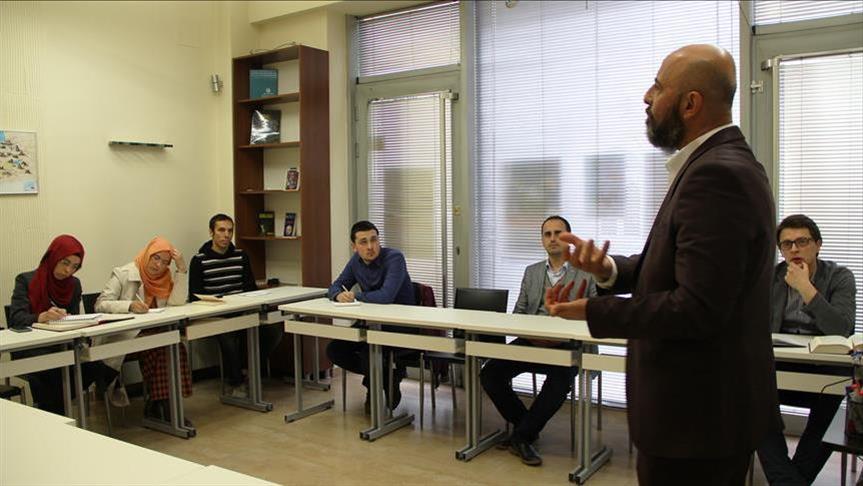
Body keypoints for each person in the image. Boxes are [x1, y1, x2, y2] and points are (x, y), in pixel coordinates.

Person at [545, 44, 779, 485]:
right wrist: (609, 270)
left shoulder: (717, 175)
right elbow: (677, 269)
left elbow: (697, 308)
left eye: (657, 86)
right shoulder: (715, 164)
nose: (646, 97)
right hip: (701, 417)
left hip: (695, 422)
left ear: (691, 103)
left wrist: (594, 310)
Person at [481, 215, 596, 466]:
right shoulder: (531, 272)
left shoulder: (586, 274)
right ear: (542, 240)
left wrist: (559, 336)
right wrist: (533, 335)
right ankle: (526, 429)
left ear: (569, 239)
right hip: (530, 342)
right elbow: (518, 314)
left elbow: (593, 314)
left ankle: (521, 436)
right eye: (547, 234)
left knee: (559, 382)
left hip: (568, 346)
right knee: (490, 373)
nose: (553, 238)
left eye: (558, 233)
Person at [757, 214, 857, 485]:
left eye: (802, 241)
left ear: (818, 244)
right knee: (754, 398)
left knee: (833, 401)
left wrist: (805, 288)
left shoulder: (840, 277)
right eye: (787, 244)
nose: (794, 249)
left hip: (824, 368)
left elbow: (841, 328)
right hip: (780, 364)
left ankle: (787, 481)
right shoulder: (770, 277)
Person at [8, 235, 112, 414]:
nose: (68, 270)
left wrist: (69, 319)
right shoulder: (26, 280)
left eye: (74, 267)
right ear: (53, 257)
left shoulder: (74, 284)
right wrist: (41, 317)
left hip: (61, 344)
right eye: (65, 263)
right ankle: (56, 410)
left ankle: (52, 410)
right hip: (31, 347)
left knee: (93, 365)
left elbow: (74, 319)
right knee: (52, 369)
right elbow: (16, 318)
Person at [95, 236, 192, 421]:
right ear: (148, 254)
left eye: (165, 262)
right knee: (162, 346)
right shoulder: (124, 273)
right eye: (156, 258)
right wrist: (129, 305)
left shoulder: (165, 278)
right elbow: (101, 304)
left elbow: (178, 302)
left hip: (151, 337)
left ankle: (162, 404)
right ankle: (164, 408)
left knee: (172, 345)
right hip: (124, 338)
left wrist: (181, 269)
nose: (159, 265)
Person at [188, 213, 282, 398]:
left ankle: (249, 369)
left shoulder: (241, 256)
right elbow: (194, 296)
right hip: (216, 314)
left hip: (242, 310)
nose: (226, 235)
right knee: (228, 335)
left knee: (274, 329)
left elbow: (250, 288)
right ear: (211, 232)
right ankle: (236, 382)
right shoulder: (199, 260)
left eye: (230, 231)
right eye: (221, 230)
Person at [326, 220, 415, 413]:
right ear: (354, 247)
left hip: (399, 324)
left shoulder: (394, 258)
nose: (370, 247)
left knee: (368, 352)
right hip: (371, 323)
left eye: (374, 240)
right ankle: (387, 378)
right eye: (363, 242)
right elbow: (335, 286)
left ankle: (373, 386)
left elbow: (385, 296)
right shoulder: (355, 262)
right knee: (335, 350)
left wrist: (354, 296)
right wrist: (338, 295)